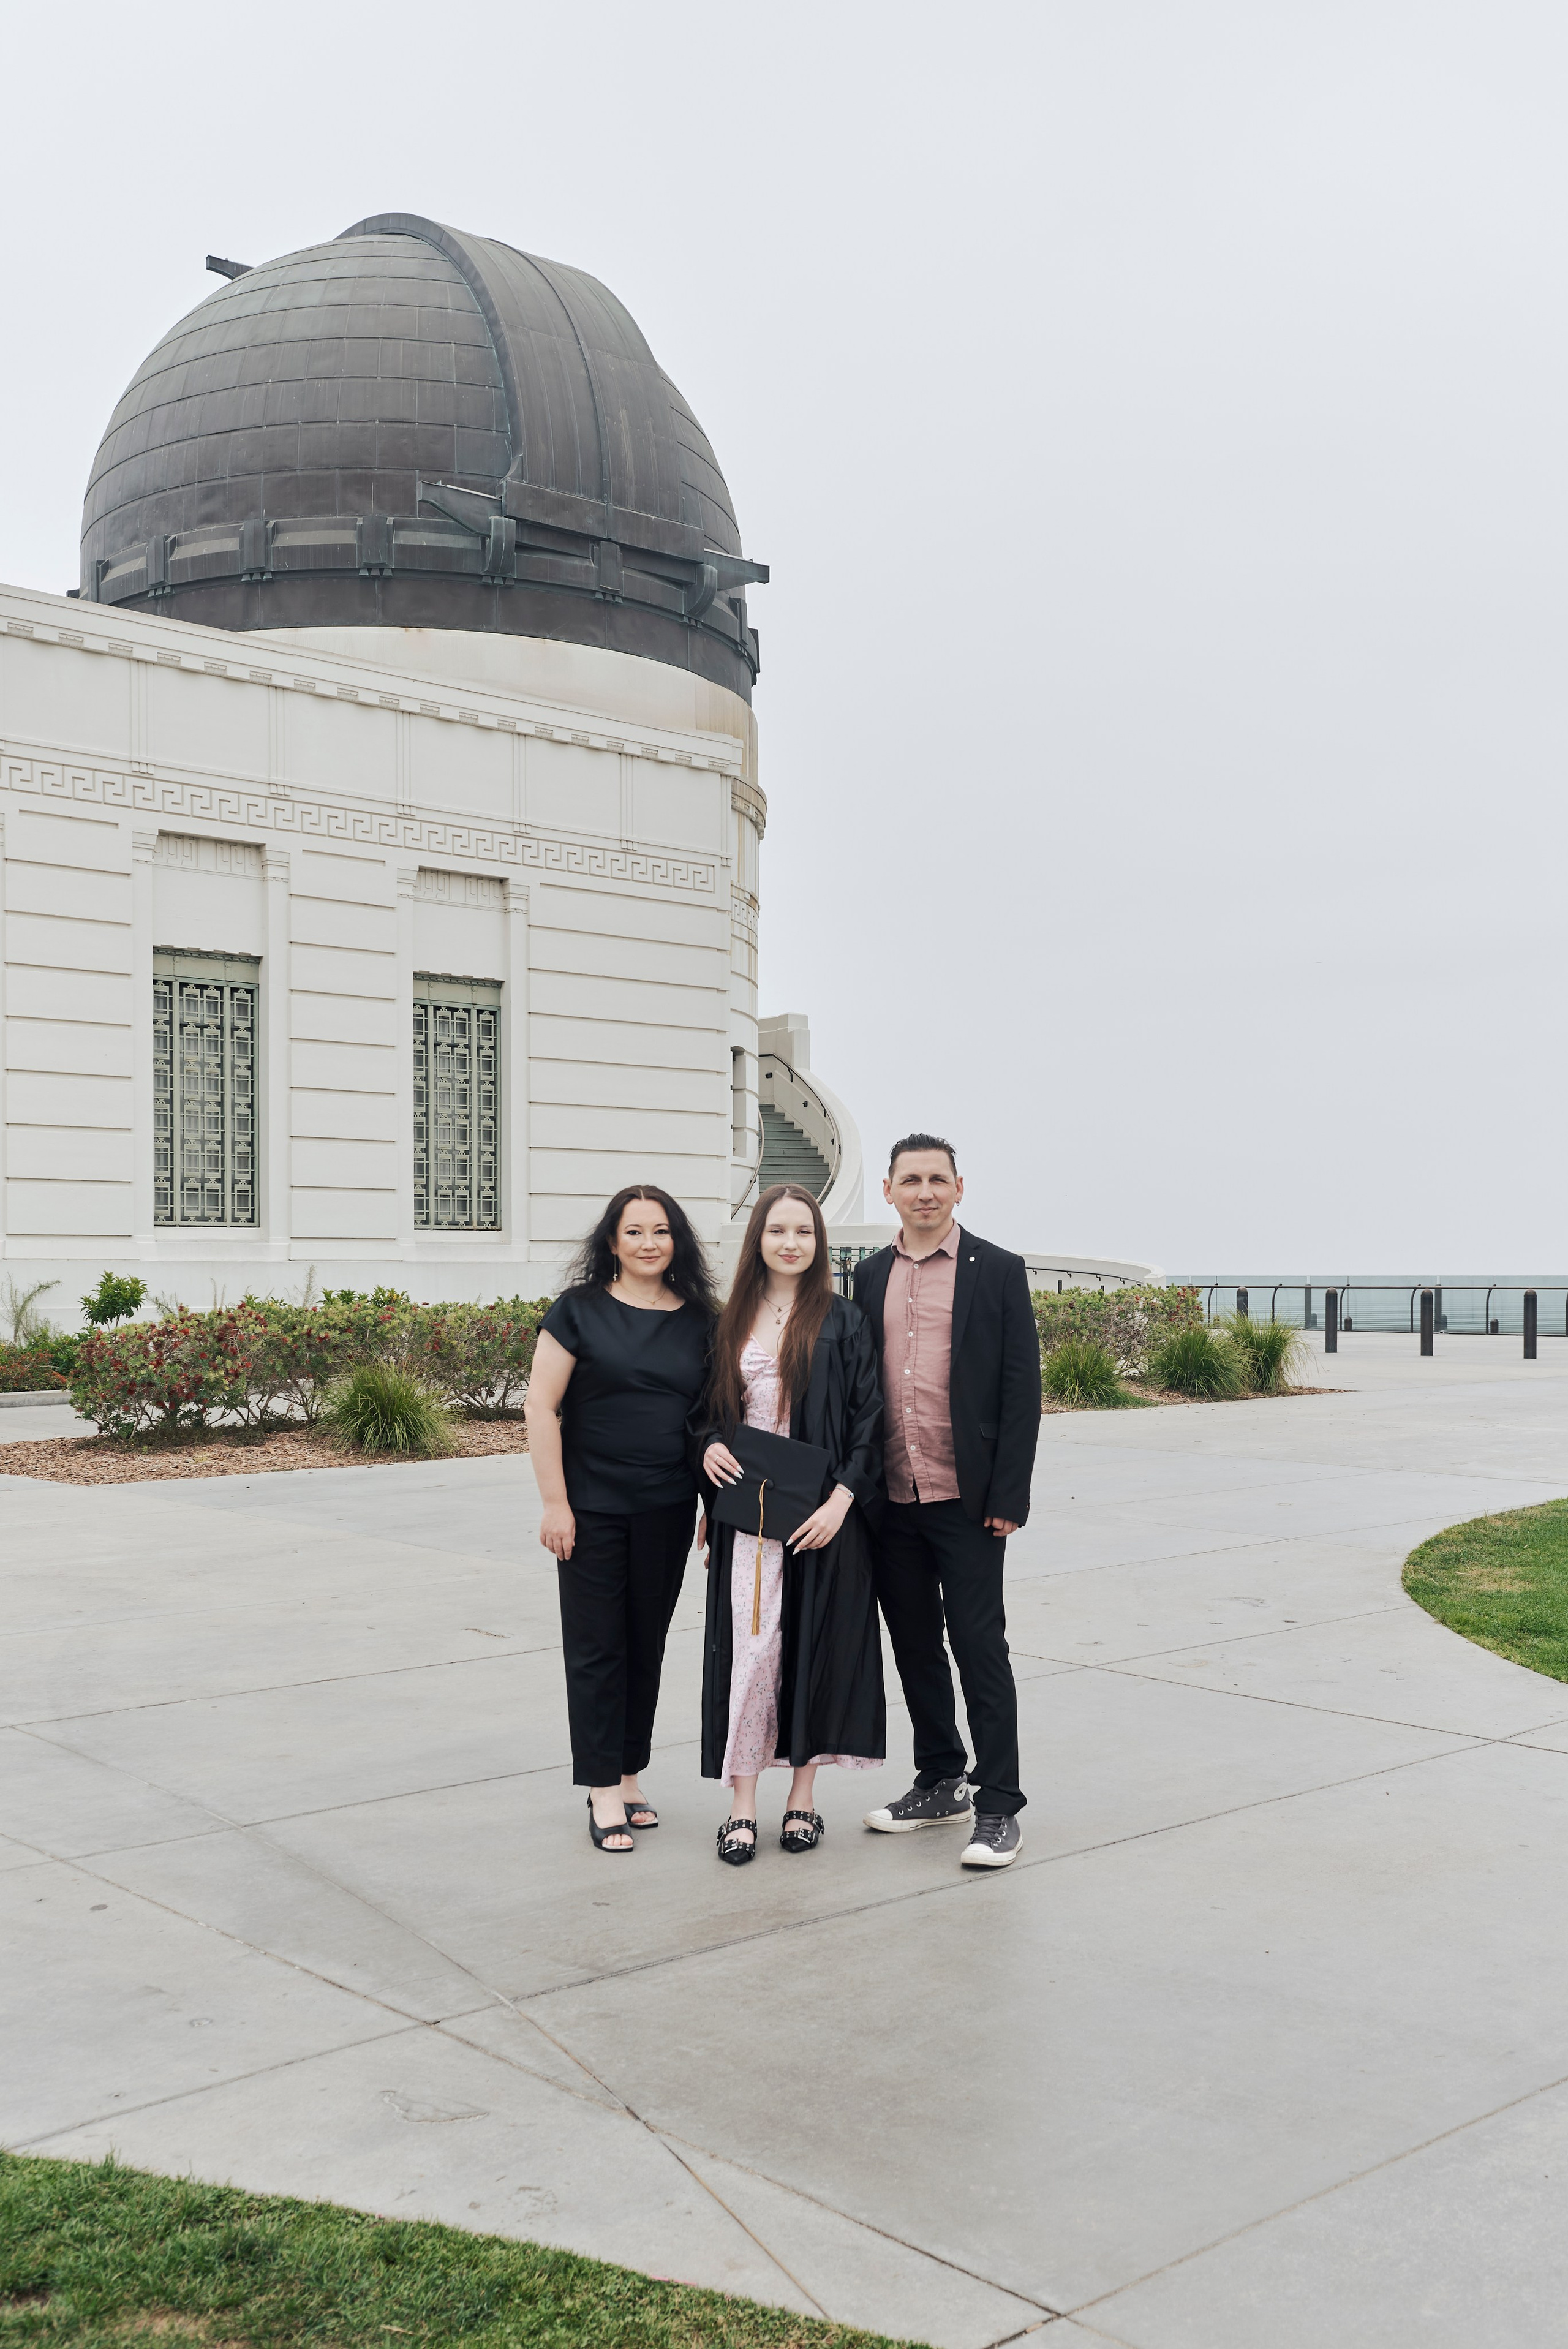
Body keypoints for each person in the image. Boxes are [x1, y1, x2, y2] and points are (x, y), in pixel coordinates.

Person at [853, 1134, 1041, 1869]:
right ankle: (940, 1780)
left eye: (937, 1179)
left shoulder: (995, 1269)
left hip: (968, 1499)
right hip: (890, 1499)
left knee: (978, 1648)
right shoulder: (867, 1277)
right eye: (911, 1179)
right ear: (888, 1190)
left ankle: (998, 1806)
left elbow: (1020, 1390)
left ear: (959, 1188)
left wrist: (1009, 1495)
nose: (924, 1190)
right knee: (914, 1649)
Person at [695, 1183, 885, 1864]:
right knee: (751, 1654)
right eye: (778, 1230)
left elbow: (870, 1421)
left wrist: (842, 1502)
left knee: (812, 1648)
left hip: (822, 1515)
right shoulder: (731, 1318)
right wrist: (710, 1447)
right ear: (758, 1239)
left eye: (803, 1231)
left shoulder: (843, 1319)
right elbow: (708, 1412)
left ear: (818, 1241)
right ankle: (741, 1806)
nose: (791, 1243)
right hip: (749, 1516)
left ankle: (802, 1796)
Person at [526, 1185, 718, 1853]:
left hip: (667, 1507)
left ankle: (630, 1775)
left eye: (660, 1231)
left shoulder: (700, 1319)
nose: (647, 1243)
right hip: (590, 1509)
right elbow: (540, 1407)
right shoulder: (577, 1312)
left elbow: (711, 1422)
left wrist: (710, 1506)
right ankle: (601, 1785)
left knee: (645, 1644)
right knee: (597, 1648)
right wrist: (555, 1502)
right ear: (611, 1241)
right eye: (633, 1231)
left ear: (677, 1242)